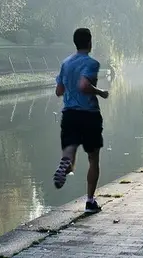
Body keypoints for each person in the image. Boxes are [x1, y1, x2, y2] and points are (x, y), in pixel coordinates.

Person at [52, 27, 109, 214]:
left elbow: (59, 91)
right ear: (90, 42)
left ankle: (65, 164)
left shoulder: (65, 63)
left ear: (75, 43)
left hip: (69, 114)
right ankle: (90, 202)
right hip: (89, 115)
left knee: (69, 153)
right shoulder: (91, 63)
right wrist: (100, 92)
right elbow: (84, 85)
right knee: (93, 158)